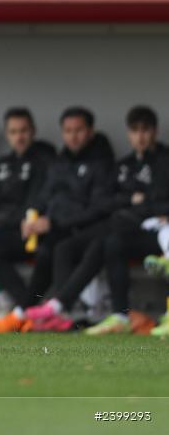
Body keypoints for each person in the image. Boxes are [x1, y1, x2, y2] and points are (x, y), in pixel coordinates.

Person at [0, 107, 113, 333]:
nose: (73, 136)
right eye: (68, 130)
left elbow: (97, 209)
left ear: (90, 131)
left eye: (79, 130)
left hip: (81, 232)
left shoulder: (101, 163)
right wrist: (31, 216)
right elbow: (44, 195)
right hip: (52, 229)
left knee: (53, 250)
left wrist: (53, 223)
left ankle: (34, 312)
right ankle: (33, 311)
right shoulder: (59, 161)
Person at [84, 107, 169, 336]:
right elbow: (102, 201)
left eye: (145, 130)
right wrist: (131, 200)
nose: (140, 136)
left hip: (162, 229)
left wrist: (143, 205)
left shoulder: (164, 161)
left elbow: (160, 201)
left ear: (155, 131)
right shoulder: (124, 165)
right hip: (137, 230)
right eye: (135, 130)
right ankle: (121, 315)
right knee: (112, 242)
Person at [0, 108, 56, 320]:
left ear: (33, 131)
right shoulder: (4, 163)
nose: (19, 136)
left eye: (24, 130)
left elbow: (32, 203)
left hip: (31, 231)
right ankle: (27, 305)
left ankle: (25, 307)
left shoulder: (43, 160)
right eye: (14, 131)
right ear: (7, 135)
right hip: (5, 231)